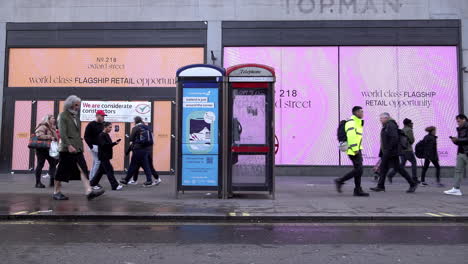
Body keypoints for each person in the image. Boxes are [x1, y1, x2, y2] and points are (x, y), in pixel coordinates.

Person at [54, 95, 105, 201]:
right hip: (67, 149)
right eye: (76, 105)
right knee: (61, 171)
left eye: (78, 105)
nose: (78, 107)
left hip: (77, 148)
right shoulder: (63, 116)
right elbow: (62, 133)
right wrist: (68, 145)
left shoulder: (75, 117)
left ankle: (89, 191)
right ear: (70, 104)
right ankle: (56, 192)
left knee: (83, 169)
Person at [370, 113, 417, 193]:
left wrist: (388, 150)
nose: (380, 120)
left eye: (381, 118)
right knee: (386, 169)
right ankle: (380, 186)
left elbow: (394, 138)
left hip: (391, 152)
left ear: (386, 118)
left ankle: (412, 184)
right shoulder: (387, 125)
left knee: (396, 168)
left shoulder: (390, 125)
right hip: (388, 151)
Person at [335, 106, 369, 196]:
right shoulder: (352, 123)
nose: (362, 113)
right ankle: (340, 181)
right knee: (359, 169)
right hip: (353, 150)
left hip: (356, 149)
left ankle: (357, 190)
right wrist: (355, 149)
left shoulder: (357, 122)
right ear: (356, 112)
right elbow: (351, 136)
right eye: (361, 111)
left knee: (358, 170)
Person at [120, 116, 161, 187]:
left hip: (138, 149)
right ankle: (129, 180)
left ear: (135, 121)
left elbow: (131, 139)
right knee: (144, 165)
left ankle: (148, 181)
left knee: (135, 165)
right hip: (146, 149)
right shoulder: (147, 127)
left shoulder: (135, 128)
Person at [90, 122, 123, 191]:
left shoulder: (106, 135)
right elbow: (104, 145)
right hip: (103, 156)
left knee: (100, 171)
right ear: (105, 127)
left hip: (106, 156)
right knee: (109, 171)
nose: (111, 129)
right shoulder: (101, 135)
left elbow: (108, 144)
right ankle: (115, 185)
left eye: (111, 127)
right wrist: (113, 143)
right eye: (110, 127)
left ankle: (92, 183)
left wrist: (114, 143)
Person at [387, 118, 419, 184]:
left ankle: (390, 175)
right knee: (414, 162)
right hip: (408, 150)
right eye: (411, 123)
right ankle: (414, 178)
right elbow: (412, 140)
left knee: (401, 165)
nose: (412, 124)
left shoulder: (402, 130)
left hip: (402, 150)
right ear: (408, 124)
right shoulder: (409, 130)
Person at [445, 114, 468, 196]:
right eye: (457, 121)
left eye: (459, 121)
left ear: (464, 119)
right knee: (458, 171)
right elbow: (461, 141)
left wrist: (458, 139)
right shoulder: (460, 129)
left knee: (458, 171)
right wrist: (455, 141)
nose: (457, 123)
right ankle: (456, 189)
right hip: (461, 152)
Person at [34, 114, 58, 188]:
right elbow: (39, 135)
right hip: (41, 149)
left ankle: (52, 182)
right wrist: (50, 137)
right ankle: (38, 183)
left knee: (53, 163)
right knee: (40, 164)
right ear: (48, 119)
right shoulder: (43, 126)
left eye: (54, 118)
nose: (54, 119)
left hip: (49, 148)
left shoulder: (53, 127)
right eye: (53, 118)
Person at [84, 110, 106, 181]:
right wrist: (91, 146)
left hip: (100, 146)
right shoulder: (91, 124)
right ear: (97, 115)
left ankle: (91, 178)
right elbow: (86, 136)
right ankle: (93, 179)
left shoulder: (103, 124)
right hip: (94, 146)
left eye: (104, 116)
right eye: (102, 116)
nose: (103, 117)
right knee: (98, 161)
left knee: (95, 162)